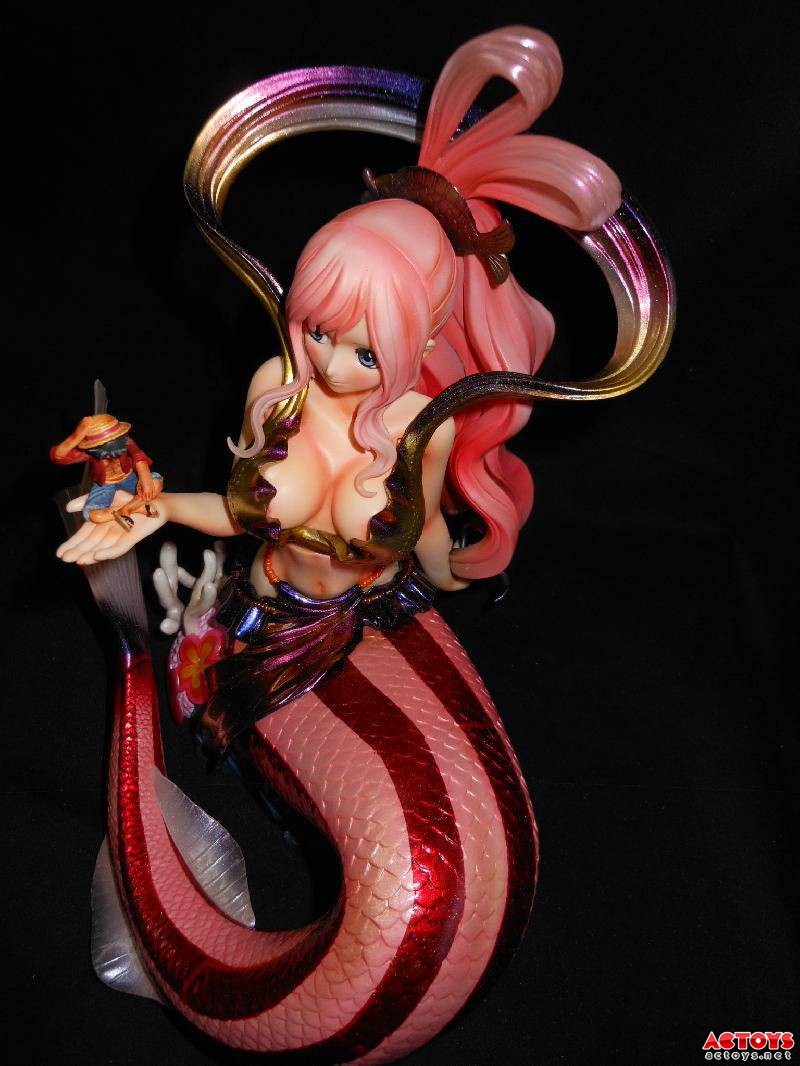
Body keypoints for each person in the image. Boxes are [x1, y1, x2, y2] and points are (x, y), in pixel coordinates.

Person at [53, 26, 666, 1065]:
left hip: (361, 620)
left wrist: (455, 565)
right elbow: (243, 513)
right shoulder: (276, 391)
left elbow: (418, 546)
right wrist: (155, 511)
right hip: (261, 622)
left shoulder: (424, 431)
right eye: (317, 326)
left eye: (364, 345)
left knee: (443, 861)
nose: (331, 361)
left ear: (422, 336)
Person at [51, 412, 162, 526]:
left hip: (128, 477)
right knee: (92, 515)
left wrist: (145, 478)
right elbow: (59, 457)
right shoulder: (91, 453)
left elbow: (138, 455)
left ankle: (127, 509)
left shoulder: (125, 442)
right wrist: (75, 437)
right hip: (105, 484)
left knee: (156, 482)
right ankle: (134, 508)